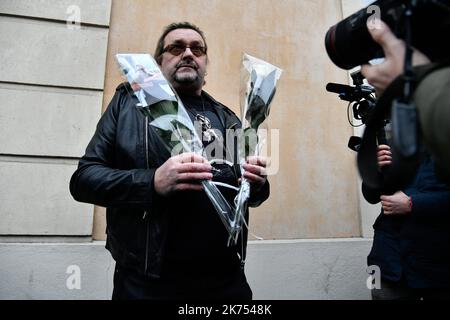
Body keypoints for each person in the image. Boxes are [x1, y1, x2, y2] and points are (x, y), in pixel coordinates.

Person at [70, 22, 270, 300]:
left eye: (197, 49)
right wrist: (151, 182)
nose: (188, 54)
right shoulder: (127, 104)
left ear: (205, 65)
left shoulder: (228, 118)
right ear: (157, 63)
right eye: (176, 47)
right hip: (148, 283)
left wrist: (257, 183)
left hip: (226, 281)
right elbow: (83, 180)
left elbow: (252, 195)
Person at [361, 20, 450, 299]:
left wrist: (412, 204)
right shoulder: (392, 127)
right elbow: (372, 196)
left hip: (436, 265)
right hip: (389, 263)